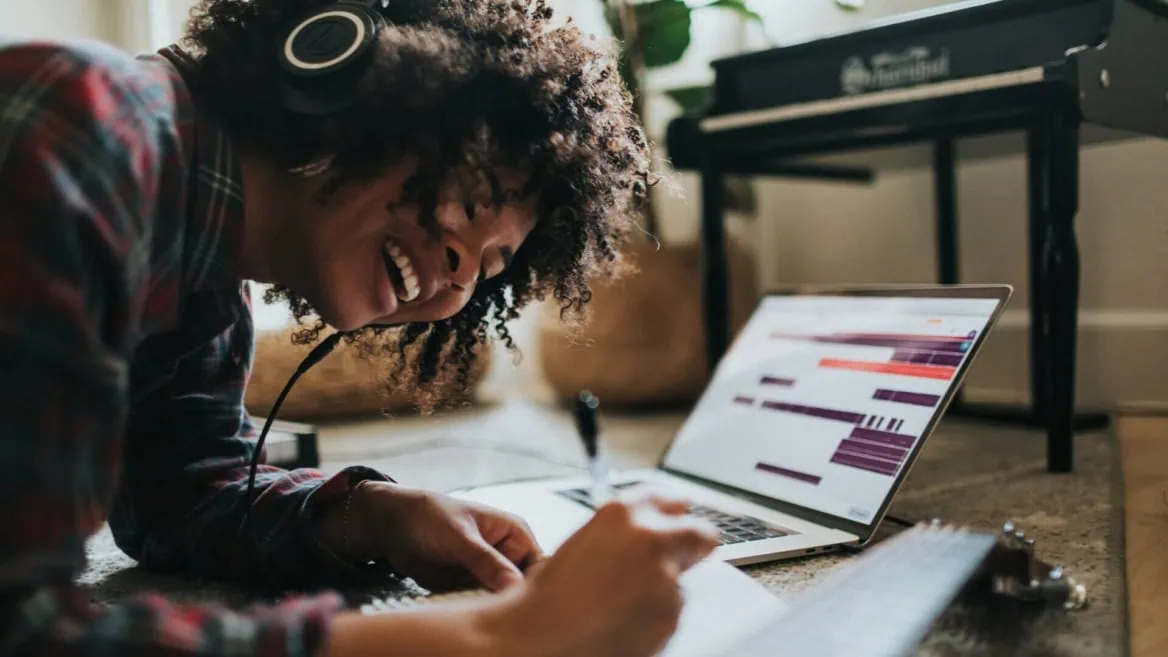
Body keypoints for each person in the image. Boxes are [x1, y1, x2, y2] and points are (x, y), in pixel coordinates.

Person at [0, 0, 722, 656]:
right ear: (352, 80)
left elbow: (177, 496)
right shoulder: (90, 125)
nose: (460, 275)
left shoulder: (204, 275)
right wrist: (497, 634)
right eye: (469, 199)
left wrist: (368, 515)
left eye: (490, 269)